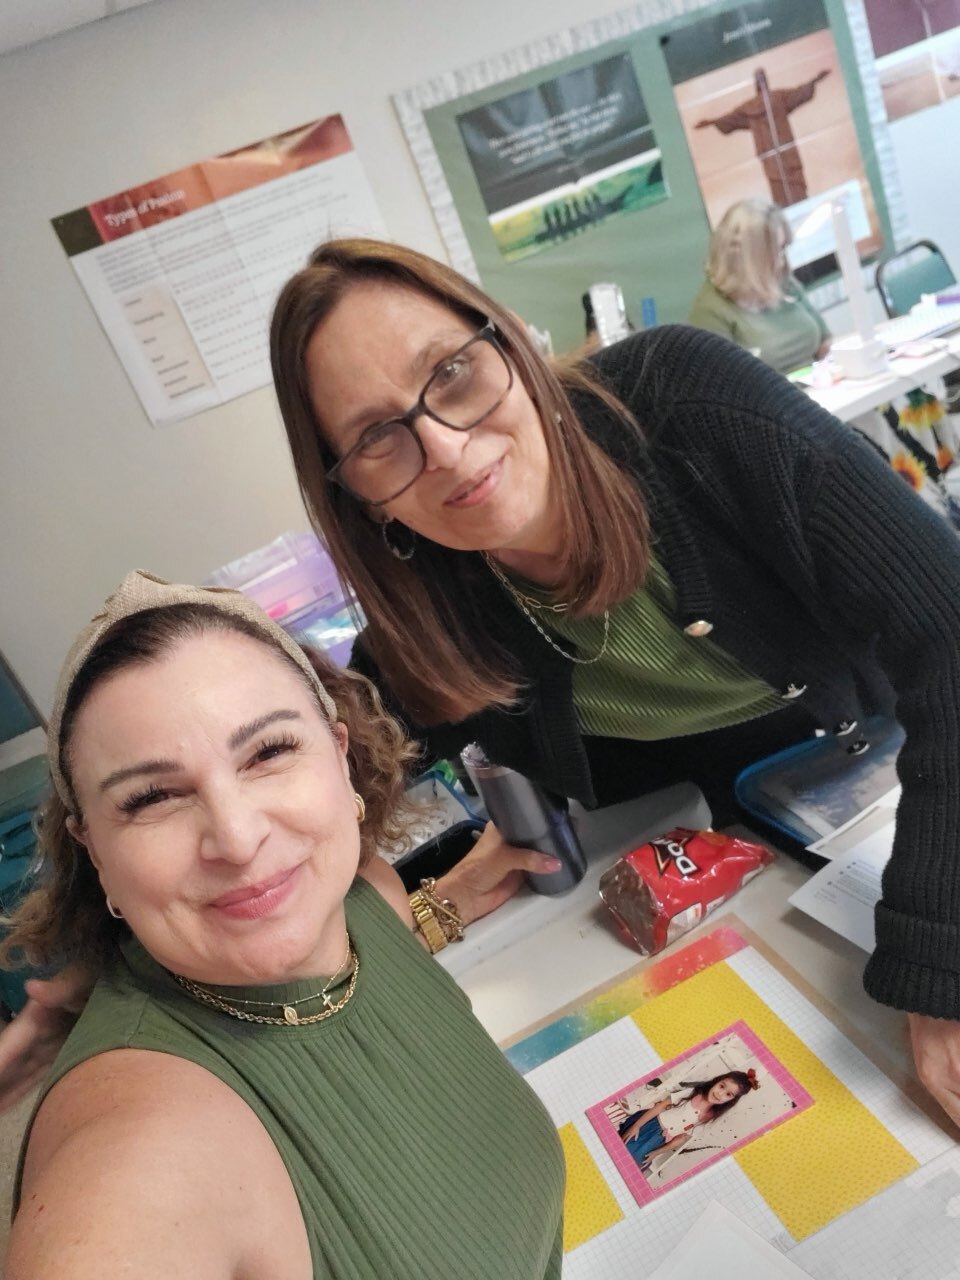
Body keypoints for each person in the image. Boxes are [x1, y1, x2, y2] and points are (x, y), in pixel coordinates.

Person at [6, 234, 960, 1133]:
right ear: (355, 491)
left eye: (452, 373)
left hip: (899, 794)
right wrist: (110, 981)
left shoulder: (690, 404)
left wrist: (940, 961)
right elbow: (292, 803)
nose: (450, 449)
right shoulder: (430, 609)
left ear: (510, 345)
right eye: (379, 435)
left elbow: (949, 633)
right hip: (722, 879)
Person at [3, 572, 564, 1279]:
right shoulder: (135, 1160)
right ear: (97, 857)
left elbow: (354, 983)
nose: (236, 839)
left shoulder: (370, 899)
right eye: (151, 797)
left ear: (339, 754)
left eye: (268, 752)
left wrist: (447, 902)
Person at [687, 198, 830, 374]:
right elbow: (725, 388)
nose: (781, 262)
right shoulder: (710, 313)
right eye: (774, 252)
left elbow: (825, 341)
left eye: (783, 249)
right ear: (746, 259)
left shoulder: (784, 282)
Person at [695, 68, 830, 206]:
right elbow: (731, 119)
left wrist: (815, 80)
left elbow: (798, 93)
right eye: (759, 79)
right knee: (776, 180)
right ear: (756, 84)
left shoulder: (778, 96)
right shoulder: (749, 106)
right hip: (768, 150)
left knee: (793, 173)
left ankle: (800, 200)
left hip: (785, 145)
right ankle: (783, 205)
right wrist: (711, 122)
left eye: (763, 78)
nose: (762, 82)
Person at [617, 1071, 756, 1171]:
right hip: (649, 1124)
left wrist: (657, 1152)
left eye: (728, 1094)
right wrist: (636, 1125)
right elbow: (660, 1106)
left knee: (636, 1162)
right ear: (717, 1081)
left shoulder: (708, 1117)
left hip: (658, 1140)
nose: (720, 1093)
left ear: (731, 1100)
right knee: (625, 1146)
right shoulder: (693, 1093)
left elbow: (680, 1138)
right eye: (721, 1086)